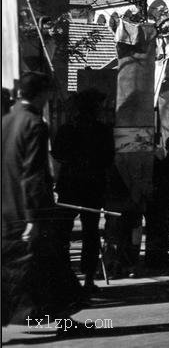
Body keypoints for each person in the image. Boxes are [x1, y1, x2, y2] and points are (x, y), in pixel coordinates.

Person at [2, 72, 83, 327]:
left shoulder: (5, 121)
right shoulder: (35, 124)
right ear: (42, 94)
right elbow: (32, 174)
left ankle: (36, 317)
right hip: (30, 211)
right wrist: (33, 217)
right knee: (51, 265)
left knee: (20, 269)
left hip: (6, 210)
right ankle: (60, 320)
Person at [53, 90, 114, 292]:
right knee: (90, 232)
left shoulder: (66, 129)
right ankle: (87, 278)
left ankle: (65, 277)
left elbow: (58, 154)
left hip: (70, 186)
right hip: (91, 187)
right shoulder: (102, 130)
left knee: (64, 234)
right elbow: (108, 159)